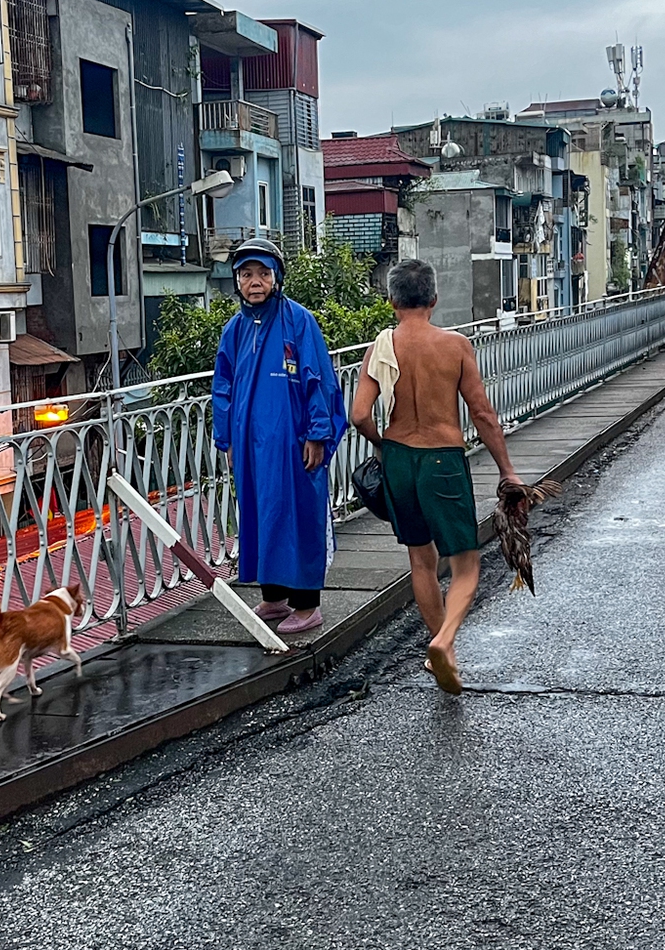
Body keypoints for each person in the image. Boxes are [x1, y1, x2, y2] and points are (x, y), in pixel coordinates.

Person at [349, 259, 522, 695]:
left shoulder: (381, 347)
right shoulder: (455, 345)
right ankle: (444, 640)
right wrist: (507, 470)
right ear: (433, 299)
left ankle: (439, 650)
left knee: (420, 559)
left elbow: (359, 415)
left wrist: (384, 446)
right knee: (466, 563)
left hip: (399, 461)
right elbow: (481, 413)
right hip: (442, 459)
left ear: (391, 301)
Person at [212, 238, 347, 635]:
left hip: (294, 440)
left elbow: (318, 379)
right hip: (251, 444)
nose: (255, 282)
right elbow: (223, 387)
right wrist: (228, 441)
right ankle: (274, 597)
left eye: (263, 273)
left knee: (299, 513)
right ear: (236, 281)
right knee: (261, 513)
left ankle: (307, 604)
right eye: (247, 274)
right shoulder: (235, 329)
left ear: (277, 278)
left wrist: (318, 434)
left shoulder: (298, 320)